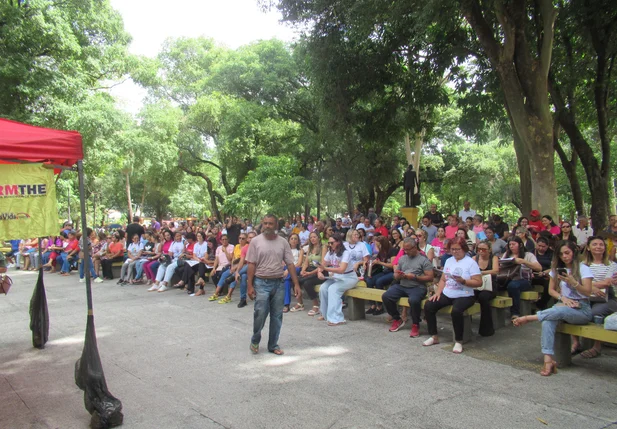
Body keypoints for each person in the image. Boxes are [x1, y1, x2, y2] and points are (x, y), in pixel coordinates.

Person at [513, 240, 593, 376]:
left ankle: (529, 318)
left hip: (581, 309)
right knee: (548, 321)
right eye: (561, 254)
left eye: (567, 253)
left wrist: (574, 283)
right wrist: (563, 298)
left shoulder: (583, 268)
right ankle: (548, 360)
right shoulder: (557, 270)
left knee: (558, 310)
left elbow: (587, 291)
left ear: (573, 252)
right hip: (563, 304)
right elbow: (551, 291)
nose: (565, 257)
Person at [247, 214, 300, 355]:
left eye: (270, 223)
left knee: (277, 316)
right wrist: (250, 286)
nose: (267, 226)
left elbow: (290, 263)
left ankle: (273, 345)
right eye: (265, 223)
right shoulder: (255, 241)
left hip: (278, 283)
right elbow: (251, 264)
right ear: (262, 224)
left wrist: (296, 284)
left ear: (276, 225)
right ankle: (255, 339)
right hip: (261, 282)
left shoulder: (283, 242)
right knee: (260, 313)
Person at [422, 237, 482, 353]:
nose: (455, 252)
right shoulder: (449, 260)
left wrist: (464, 281)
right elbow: (443, 280)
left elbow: (478, 282)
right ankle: (434, 336)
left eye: (457, 249)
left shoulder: (471, 262)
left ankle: (459, 341)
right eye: (452, 249)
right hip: (448, 292)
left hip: (465, 294)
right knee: (429, 305)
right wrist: (438, 293)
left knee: (456, 311)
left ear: (463, 249)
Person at [571, 237, 617, 358]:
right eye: (595, 244)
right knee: (571, 309)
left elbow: (607, 283)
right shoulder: (581, 264)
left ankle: (597, 347)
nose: (598, 247)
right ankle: (576, 342)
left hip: (607, 298)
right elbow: (576, 281)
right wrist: (592, 287)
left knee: (595, 312)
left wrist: (588, 285)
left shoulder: (611, 264)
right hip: (586, 296)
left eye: (601, 244)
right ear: (588, 247)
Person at [383, 238, 434, 336]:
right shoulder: (402, 258)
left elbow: (430, 277)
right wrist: (397, 275)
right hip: (402, 285)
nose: (406, 252)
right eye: (404, 250)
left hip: (417, 286)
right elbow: (396, 274)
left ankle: (415, 324)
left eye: (408, 249)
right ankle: (397, 318)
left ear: (415, 247)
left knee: (414, 300)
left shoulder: (423, 259)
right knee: (386, 296)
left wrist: (415, 277)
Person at [316, 233, 358, 326]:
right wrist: (319, 271)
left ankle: (337, 318)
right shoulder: (330, 252)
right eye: (329, 243)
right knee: (323, 288)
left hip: (349, 277)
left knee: (333, 289)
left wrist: (325, 269)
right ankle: (325, 313)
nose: (330, 245)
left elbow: (342, 269)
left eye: (332, 243)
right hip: (337, 277)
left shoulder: (346, 253)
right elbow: (323, 264)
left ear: (338, 242)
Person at [501, 237, 542, 319]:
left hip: (524, 280)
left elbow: (539, 268)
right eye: (510, 245)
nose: (511, 246)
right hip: (507, 278)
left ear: (520, 245)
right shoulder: (506, 254)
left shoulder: (528, 255)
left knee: (513, 286)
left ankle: (515, 312)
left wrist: (523, 261)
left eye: (513, 244)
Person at [291, 232, 325, 314]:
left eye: (314, 237)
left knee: (307, 283)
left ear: (318, 237)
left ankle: (315, 305)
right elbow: (306, 262)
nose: (313, 239)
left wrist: (309, 273)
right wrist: (303, 270)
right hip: (309, 270)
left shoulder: (323, 247)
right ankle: (300, 303)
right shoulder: (310, 248)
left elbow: (323, 264)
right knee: (295, 280)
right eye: (311, 237)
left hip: (320, 271)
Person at [473, 240, 499, 336]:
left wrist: (481, 272)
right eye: (479, 249)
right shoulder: (474, 258)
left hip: (490, 286)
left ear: (489, 250)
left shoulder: (494, 258)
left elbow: (496, 271)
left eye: (484, 249)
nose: (481, 252)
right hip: (476, 285)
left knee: (483, 298)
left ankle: (486, 329)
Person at [283, 233, 304, 313]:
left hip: (296, 268)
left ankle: (282, 278)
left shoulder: (300, 250)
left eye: (295, 239)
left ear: (298, 241)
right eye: (291, 238)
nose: (293, 240)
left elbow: (299, 263)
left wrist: (288, 270)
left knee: (285, 278)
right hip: (286, 268)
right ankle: (286, 304)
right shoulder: (285, 250)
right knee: (287, 282)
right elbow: (283, 262)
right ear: (289, 240)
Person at [533, 237, 554, 310]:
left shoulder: (551, 254)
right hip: (533, 275)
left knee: (549, 284)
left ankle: (541, 304)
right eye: (539, 246)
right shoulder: (532, 252)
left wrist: (544, 272)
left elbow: (554, 267)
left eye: (543, 246)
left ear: (547, 246)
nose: (541, 248)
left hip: (546, 275)